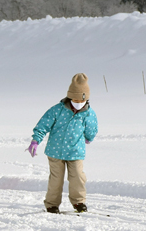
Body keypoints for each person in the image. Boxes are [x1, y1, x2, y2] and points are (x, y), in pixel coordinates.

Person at [28, 73, 98, 213]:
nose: (78, 103)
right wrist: (36, 140)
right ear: (70, 97)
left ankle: (79, 202)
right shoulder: (57, 110)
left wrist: (89, 138)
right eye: (75, 99)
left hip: (75, 151)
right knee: (56, 179)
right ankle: (52, 204)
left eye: (81, 100)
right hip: (55, 151)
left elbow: (92, 128)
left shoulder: (89, 113)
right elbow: (43, 125)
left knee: (78, 176)